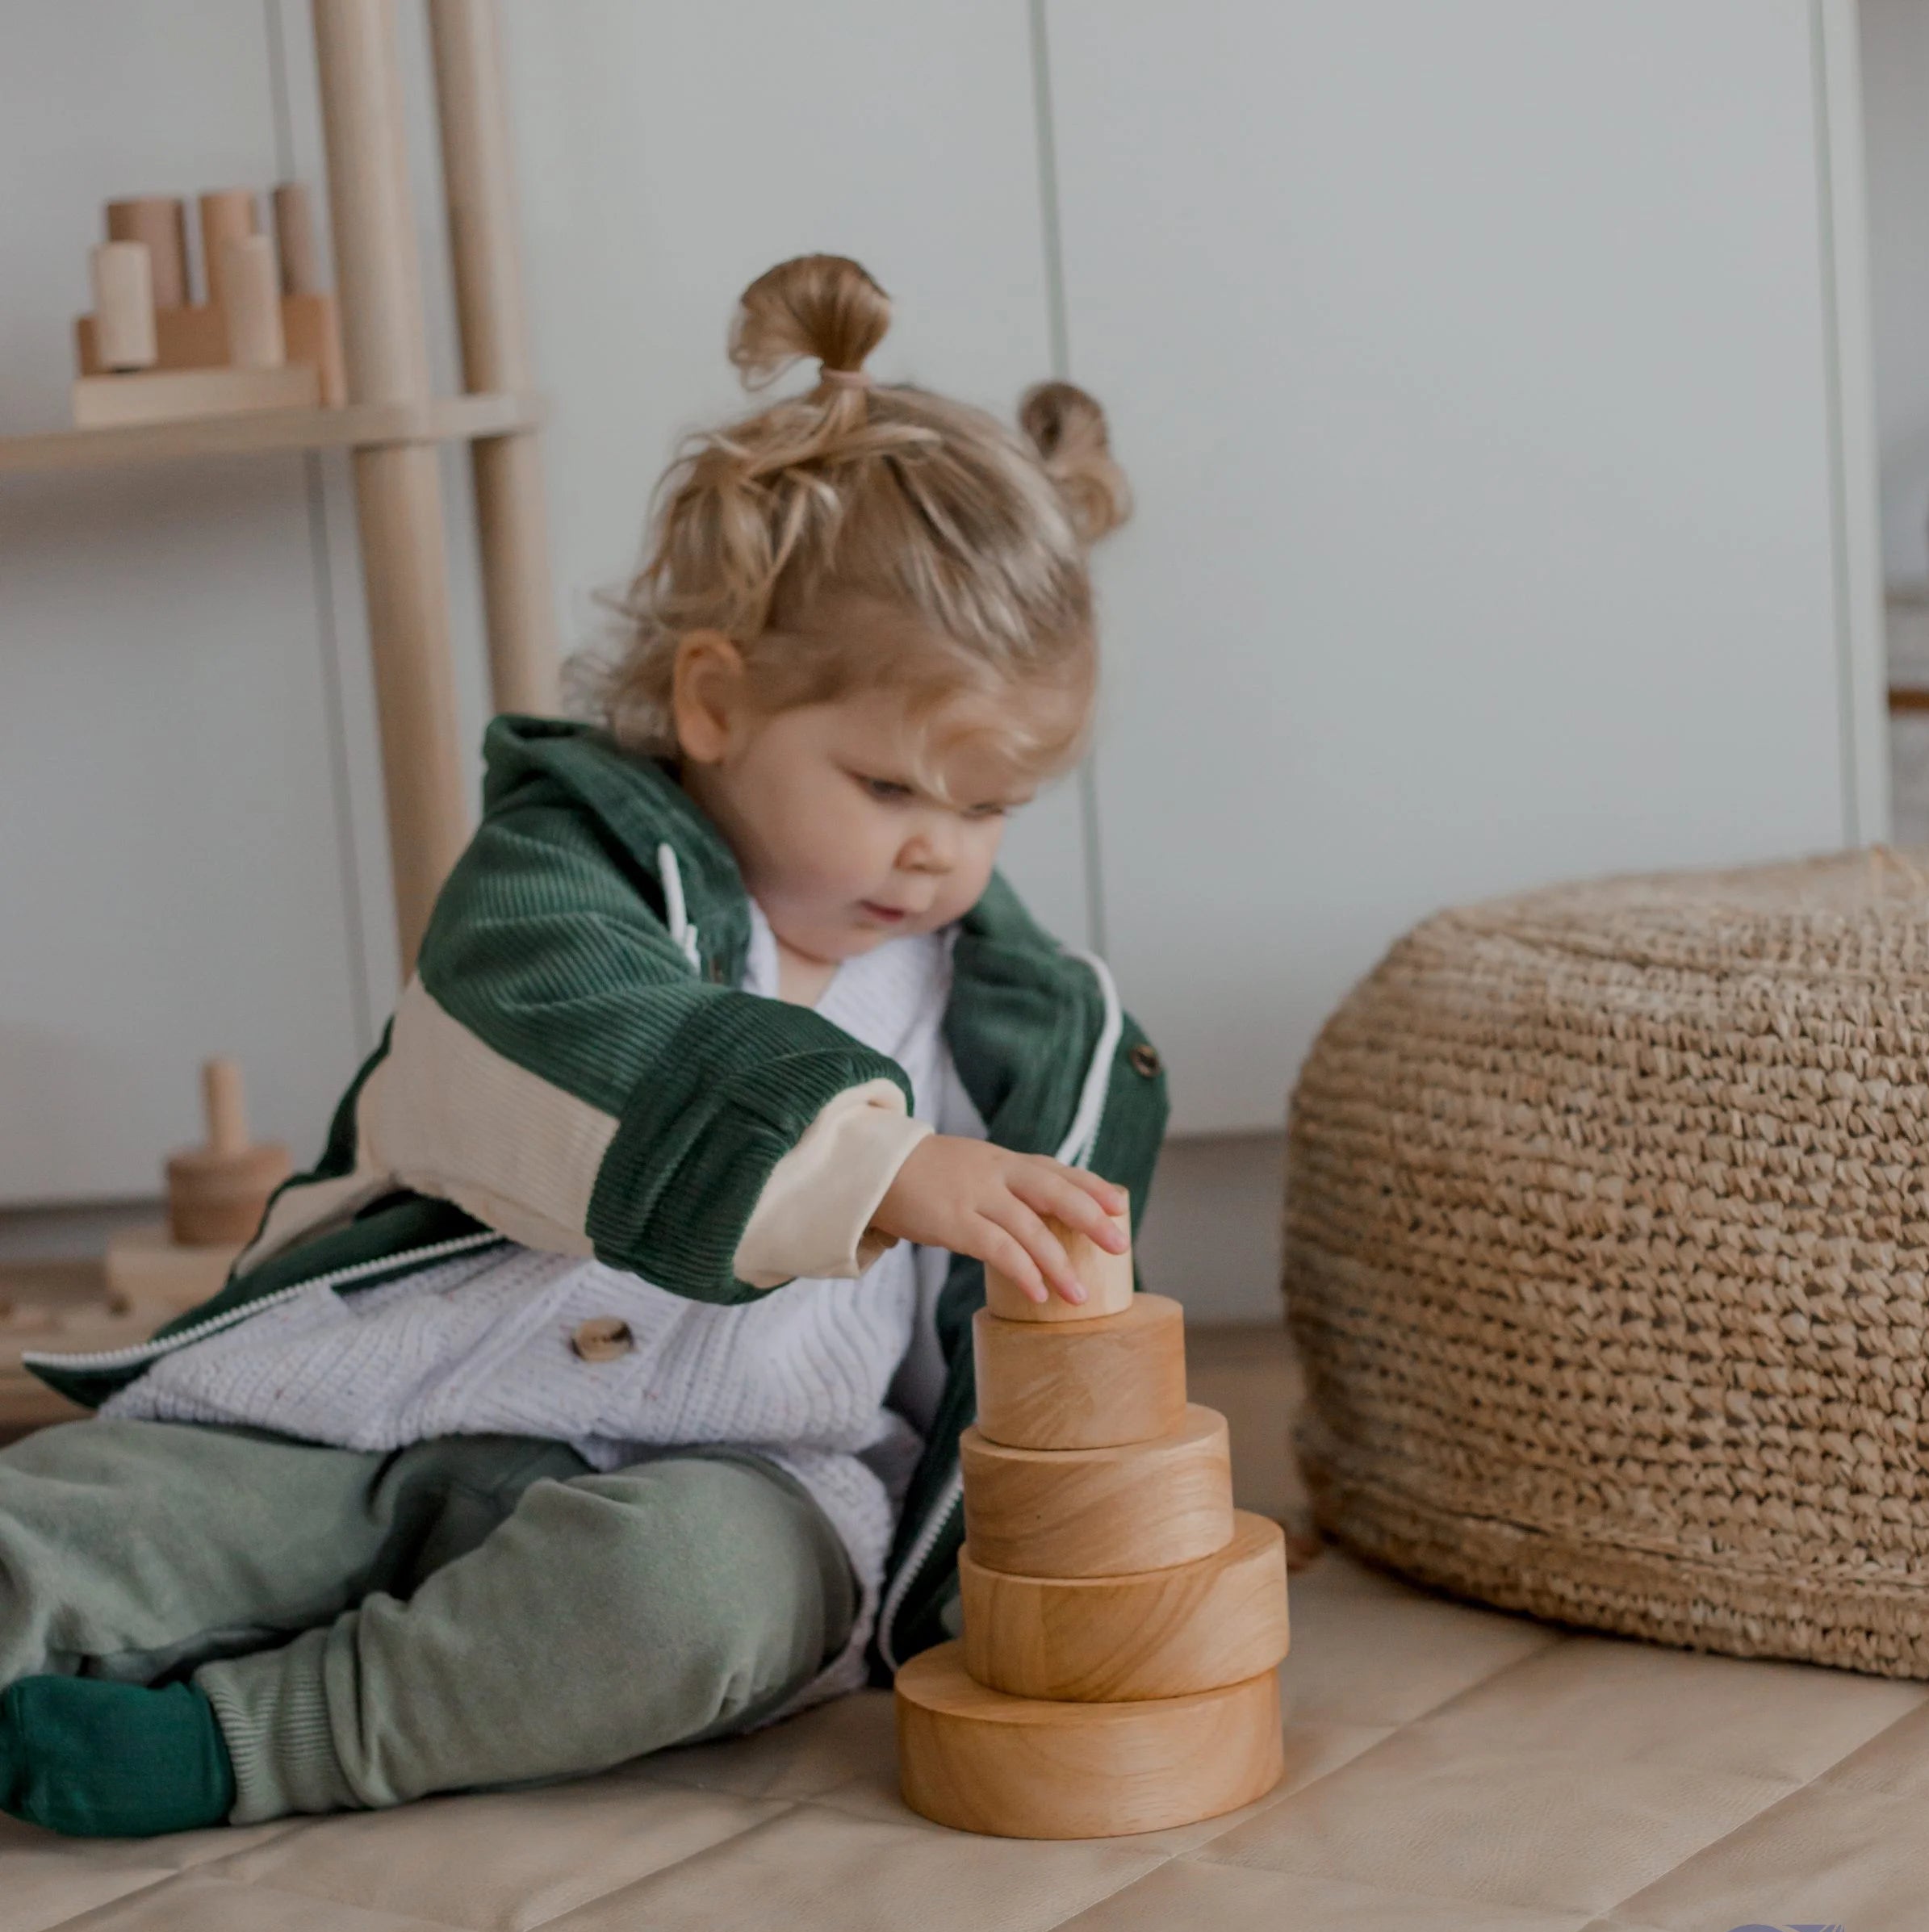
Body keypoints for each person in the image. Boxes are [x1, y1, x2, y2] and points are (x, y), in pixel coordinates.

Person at [6, 254, 1166, 1838]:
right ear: (713, 700)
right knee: (81, 1524)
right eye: (890, 790)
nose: (936, 857)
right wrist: (876, 1163)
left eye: (988, 809)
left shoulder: (1029, 1030)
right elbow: (566, 1030)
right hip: (372, 1406)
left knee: (692, 1603)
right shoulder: (562, 879)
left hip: (737, 1482)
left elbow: (995, 1379)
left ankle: (260, 1738)